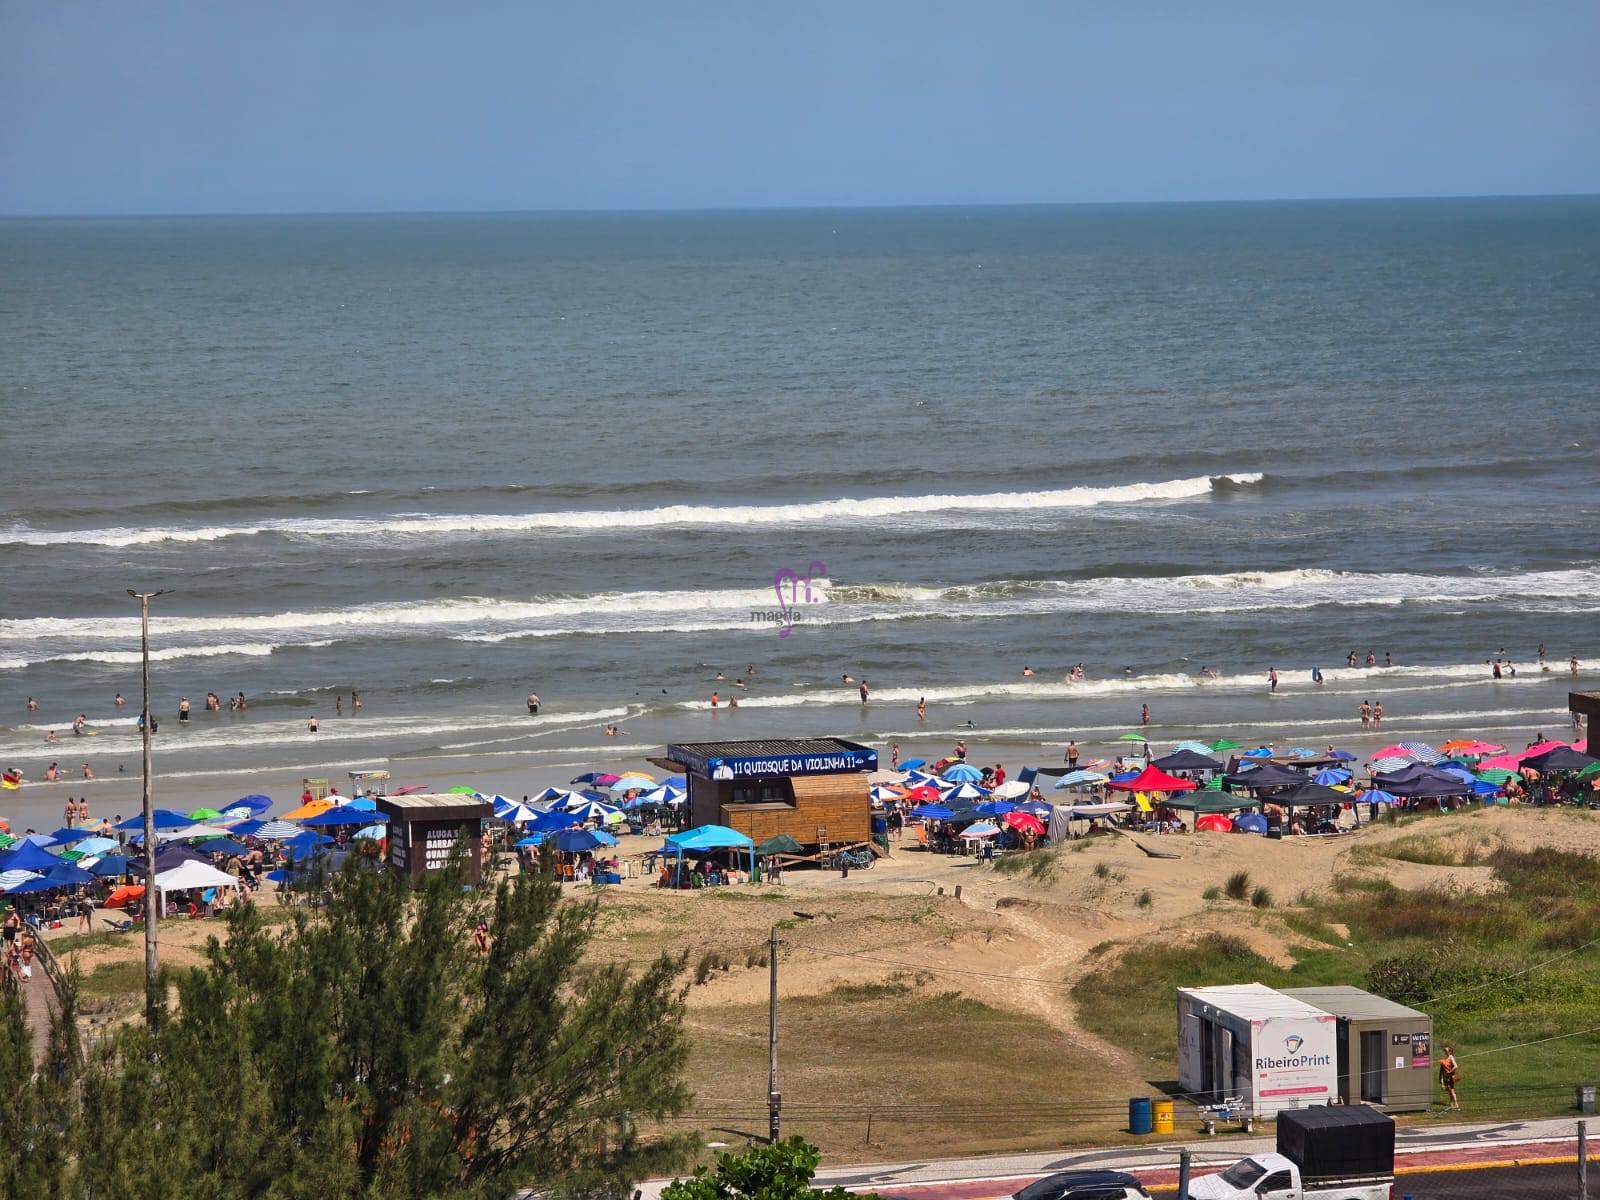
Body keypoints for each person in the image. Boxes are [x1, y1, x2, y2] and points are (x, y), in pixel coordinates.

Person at [1439, 1046, 1460, 1110]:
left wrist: (1449, 1072)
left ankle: (1456, 1104)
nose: (1445, 1051)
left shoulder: (1451, 1057)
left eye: (1446, 1050)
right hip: (1447, 1077)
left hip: (1450, 1077)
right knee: (1450, 1090)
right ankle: (1452, 1103)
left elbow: (1456, 1066)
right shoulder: (1448, 1058)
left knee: (1451, 1090)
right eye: (1444, 1050)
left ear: (1449, 1051)